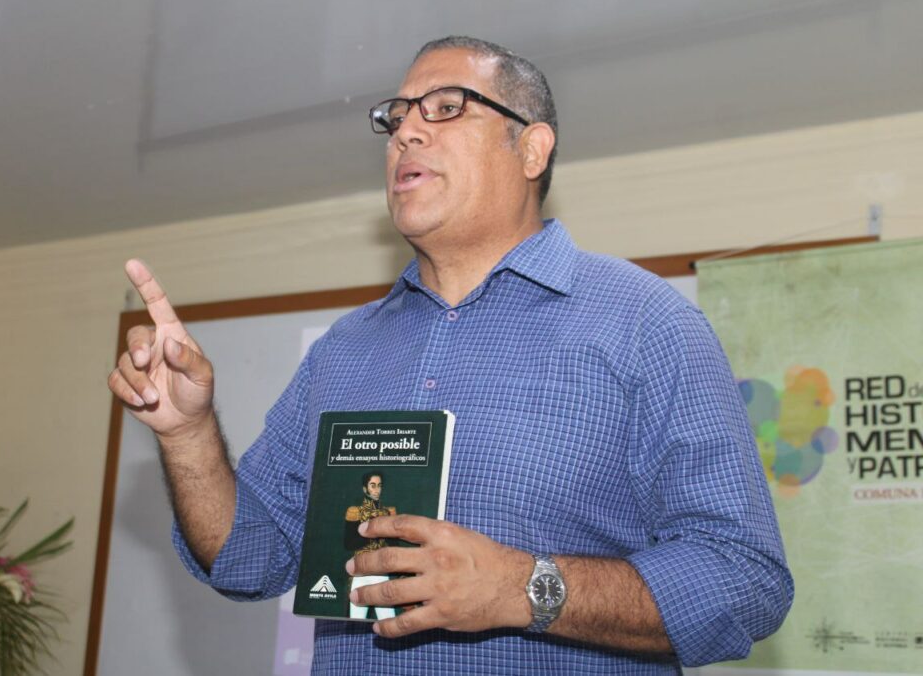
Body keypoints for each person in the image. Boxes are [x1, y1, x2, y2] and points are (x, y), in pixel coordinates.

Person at [108, 36, 793, 674]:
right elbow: (248, 560)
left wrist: (522, 588)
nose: (406, 131)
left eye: (444, 107)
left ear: (531, 150)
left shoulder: (646, 322)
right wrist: (187, 434)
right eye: (396, 117)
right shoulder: (343, 350)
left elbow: (744, 580)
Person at [344, 472, 397, 620]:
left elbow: (394, 544)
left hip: (381, 570)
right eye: (373, 485)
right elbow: (349, 543)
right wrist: (372, 532)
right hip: (360, 570)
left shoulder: (388, 512)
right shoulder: (355, 512)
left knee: (388, 619)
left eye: (379, 486)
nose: (376, 490)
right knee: (356, 619)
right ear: (365, 488)